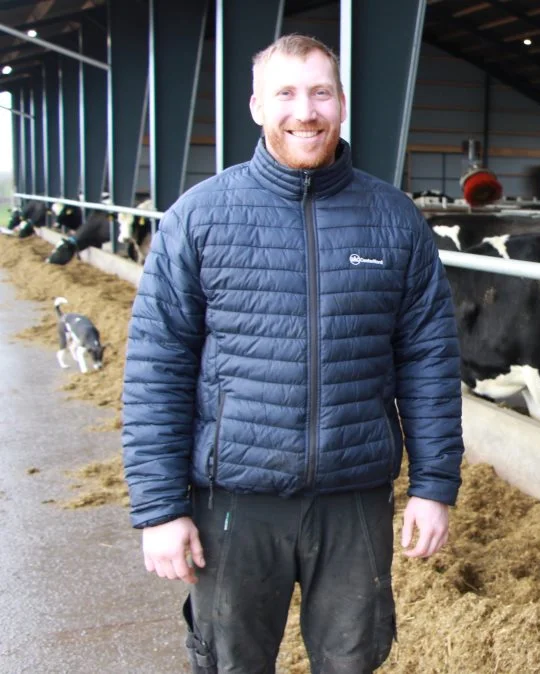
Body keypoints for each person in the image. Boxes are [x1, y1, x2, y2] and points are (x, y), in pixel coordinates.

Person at [121, 34, 464, 673]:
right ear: (257, 107)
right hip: (232, 501)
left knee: (352, 659)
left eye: (320, 93)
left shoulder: (393, 220)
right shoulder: (199, 217)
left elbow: (430, 362)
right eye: (286, 93)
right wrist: (160, 508)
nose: (304, 111)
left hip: (353, 499)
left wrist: (434, 484)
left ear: (340, 105)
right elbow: (156, 369)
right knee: (231, 661)